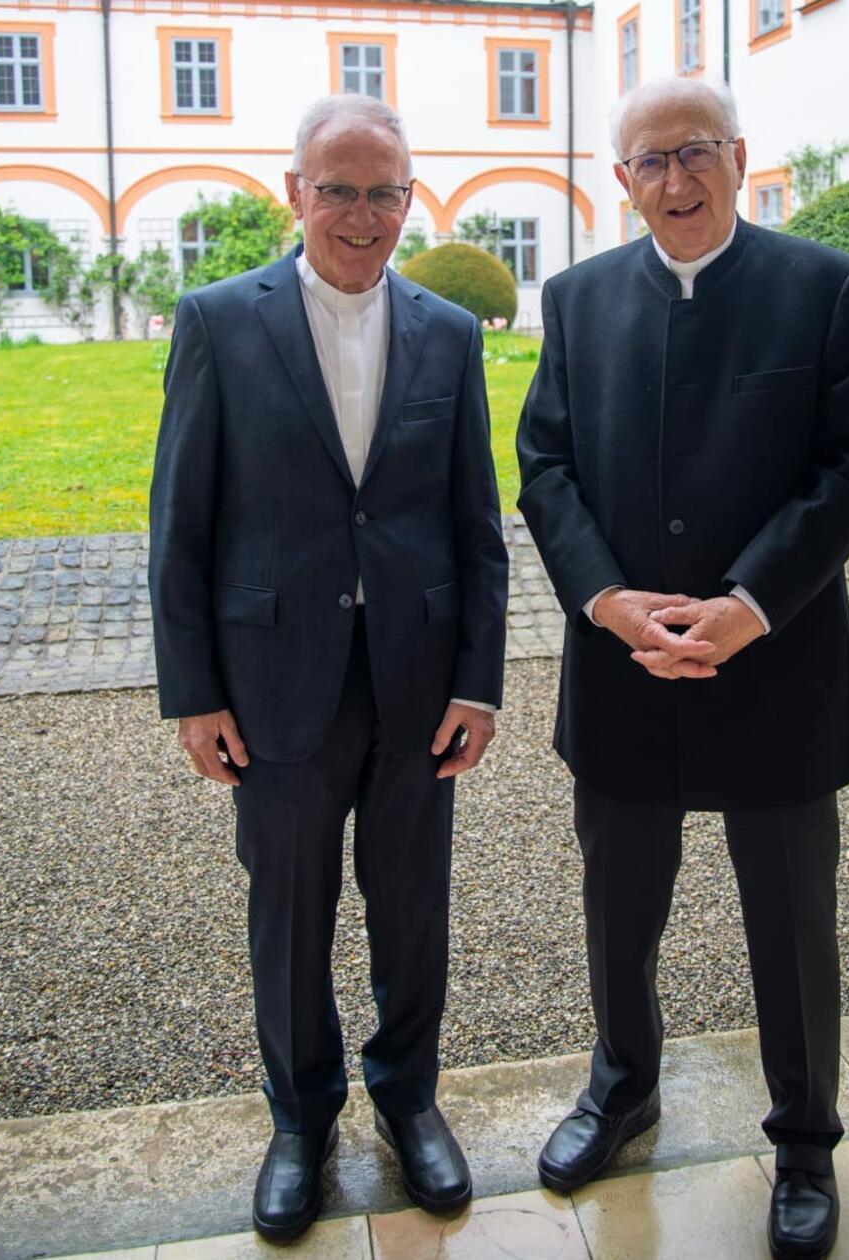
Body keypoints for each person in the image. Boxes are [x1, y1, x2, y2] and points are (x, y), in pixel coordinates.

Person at [514, 76, 849, 1260]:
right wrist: (607, 602)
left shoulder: (823, 286)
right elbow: (545, 467)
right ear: (619, 179)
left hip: (775, 660)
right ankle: (622, 1089)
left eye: (693, 153)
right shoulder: (575, 299)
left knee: (791, 920)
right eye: (649, 162)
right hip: (623, 662)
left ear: (737, 156)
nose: (674, 181)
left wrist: (747, 606)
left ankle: (805, 1140)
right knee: (619, 907)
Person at [147, 93, 509, 1240]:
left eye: (384, 193)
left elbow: (476, 526)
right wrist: (193, 692)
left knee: (412, 910)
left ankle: (409, 1101)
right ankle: (300, 1123)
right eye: (339, 190)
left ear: (411, 197)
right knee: (290, 914)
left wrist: (478, 681)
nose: (362, 215)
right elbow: (179, 526)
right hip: (273, 683)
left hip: (417, 682)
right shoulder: (218, 321)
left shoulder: (449, 332)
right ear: (294, 190)